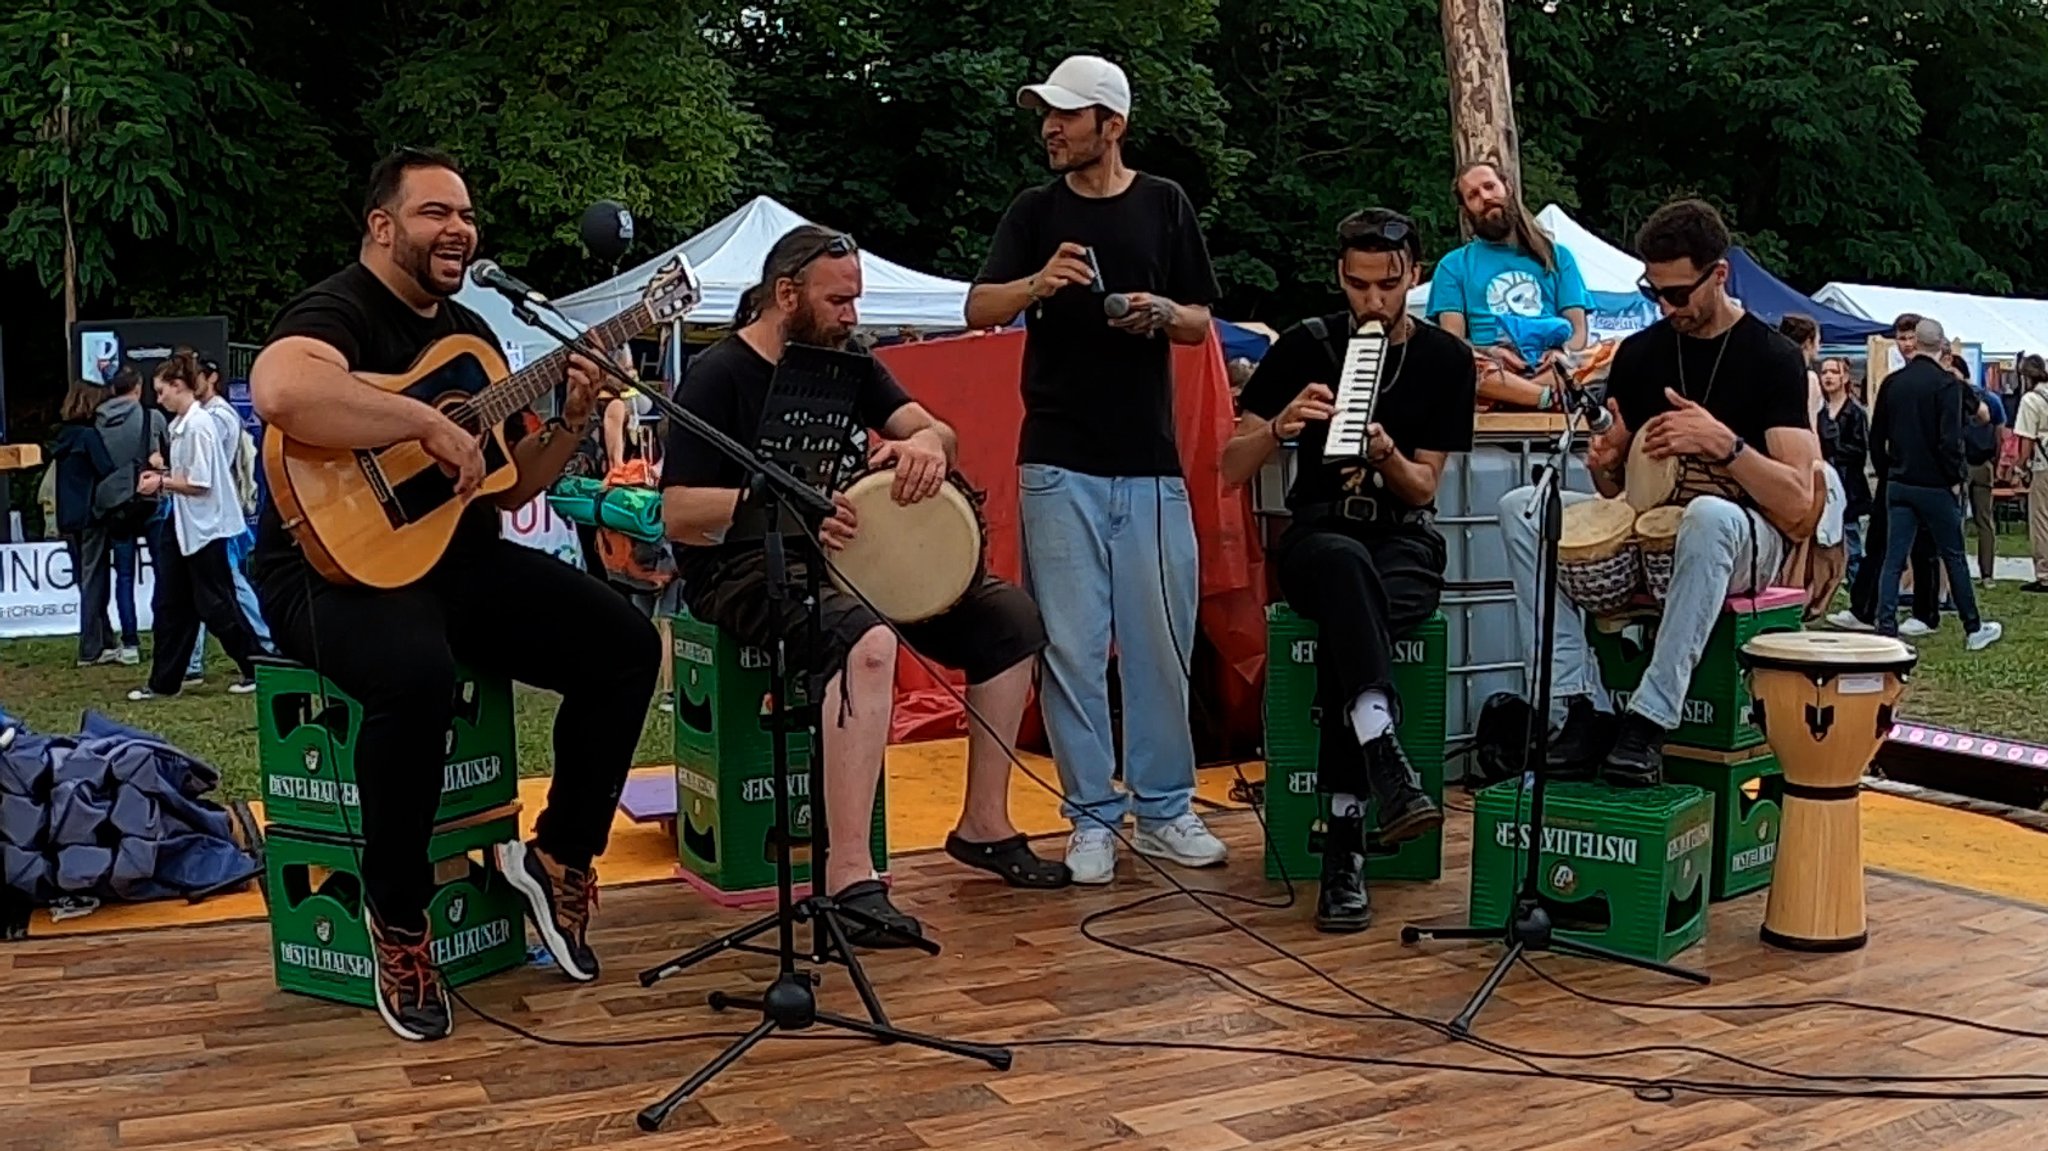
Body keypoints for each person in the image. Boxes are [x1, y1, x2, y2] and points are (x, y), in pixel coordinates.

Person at [248, 148, 659, 1042]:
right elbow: (282, 389)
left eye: (466, 214)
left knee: (627, 646)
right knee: (416, 676)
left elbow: (510, 485)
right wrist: (424, 419)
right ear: (382, 226)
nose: (460, 230)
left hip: (452, 559)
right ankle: (398, 918)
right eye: (436, 212)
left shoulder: (474, 337)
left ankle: (558, 857)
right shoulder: (336, 308)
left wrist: (575, 420)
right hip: (324, 567)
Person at [663, 225, 1069, 937]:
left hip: (845, 554)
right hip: (743, 564)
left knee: (1011, 622)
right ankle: (848, 874)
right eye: (840, 300)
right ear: (786, 295)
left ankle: (983, 821)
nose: (854, 316)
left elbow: (936, 430)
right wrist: (778, 507)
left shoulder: (846, 360)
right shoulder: (719, 374)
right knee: (867, 642)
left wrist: (921, 447)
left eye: (857, 300)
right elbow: (678, 511)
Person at [963, 54, 1227, 884]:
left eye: (1067, 115)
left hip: (1149, 461)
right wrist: (1039, 283)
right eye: (1046, 113)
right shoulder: (1035, 211)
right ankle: (1090, 819)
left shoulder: (1164, 203)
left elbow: (1199, 321)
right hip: (1057, 456)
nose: (1050, 126)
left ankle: (1165, 809)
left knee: (1160, 641)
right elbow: (979, 306)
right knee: (1073, 648)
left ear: (1111, 125)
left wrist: (1161, 312)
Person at [1502, 199, 1821, 785]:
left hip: (1745, 538)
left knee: (1706, 515)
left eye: (1678, 293)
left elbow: (1801, 505)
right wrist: (1604, 462)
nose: (1666, 307)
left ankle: (1650, 718)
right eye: (1655, 292)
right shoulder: (1642, 355)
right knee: (1523, 508)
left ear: (1719, 274)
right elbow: (1619, 490)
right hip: (1648, 533)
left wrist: (1725, 445)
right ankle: (1580, 705)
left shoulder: (1773, 359)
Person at [1221, 208, 1475, 931]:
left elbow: (1426, 488)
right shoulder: (1307, 344)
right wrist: (1278, 426)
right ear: (1341, 276)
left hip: (1401, 540)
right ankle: (1378, 766)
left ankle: (1346, 838)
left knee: (1350, 610)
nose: (1373, 301)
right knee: (1339, 568)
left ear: (1413, 278)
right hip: (1321, 534)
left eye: (1388, 286)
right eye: (1359, 285)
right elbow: (1227, 465)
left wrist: (1387, 452)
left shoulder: (1446, 361)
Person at [129, 354, 262, 700]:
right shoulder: (182, 425)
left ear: (178, 386)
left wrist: (160, 482)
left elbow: (200, 483)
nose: (158, 399)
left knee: (216, 603)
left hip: (206, 526)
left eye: (162, 392)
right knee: (172, 602)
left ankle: (256, 666)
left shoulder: (200, 425)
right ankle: (164, 681)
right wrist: (163, 475)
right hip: (187, 523)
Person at [1870, 320, 2003, 650]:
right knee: (1953, 554)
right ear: (1942, 345)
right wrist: (1955, 478)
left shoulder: (1892, 383)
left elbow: (1877, 437)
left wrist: (1889, 471)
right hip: (1934, 485)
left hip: (1899, 482)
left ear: (1915, 344)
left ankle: (1886, 627)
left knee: (1894, 557)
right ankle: (1973, 627)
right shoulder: (1947, 385)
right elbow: (1949, 440)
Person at [1426, 160, 1591, 411]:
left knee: (1613, 353)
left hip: (1553, 366)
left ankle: (1515, 396)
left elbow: (1579, 333)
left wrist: (1563, 353)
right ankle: (1542, 398)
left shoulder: (1558, 256)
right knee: (1455, 362)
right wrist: (1490, 352)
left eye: (1490, 186)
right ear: (1465, 209)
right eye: (1473, 195)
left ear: (1508, 187)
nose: (1486, 197)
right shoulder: (1453, 265)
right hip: (1494, 370)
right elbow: (1453, 343)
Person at [92, 366, 165, 665]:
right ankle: (165, 635)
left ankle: (130, 643)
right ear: (136, 388)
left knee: (124, 576)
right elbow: (162, 456)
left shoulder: (97, 423)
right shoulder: (152, 417)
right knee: (164, 572)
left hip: (115, 506)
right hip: (149, 502)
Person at [50, 380, 116, 666]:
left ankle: (105, 639)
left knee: (85, 580)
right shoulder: (89, 437)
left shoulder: (63, 437)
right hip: (91, 515)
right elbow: (107, 469)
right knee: (94, 580)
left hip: (68, 516)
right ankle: (90, 648)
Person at [1816, 355, 1871, 580]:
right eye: (1824, 372)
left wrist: (1833, 447)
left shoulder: (1855, 412)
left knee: (1851, 538)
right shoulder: (1818, 409)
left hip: (1848, 484)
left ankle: (1856, 583)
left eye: (1833, 372)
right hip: (1824, 482)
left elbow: (1859, 451)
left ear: (1845, 377)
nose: (1828, 377)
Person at [1953, 354, 2005, 588]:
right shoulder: (1991, 398)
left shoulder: (1953, 398)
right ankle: (1987, 574)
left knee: (1957, 519)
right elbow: (2000, 432)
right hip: (1984, 463)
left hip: (1960, 464)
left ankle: (1958, 572)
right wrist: (1995, 459)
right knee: (1985, 521)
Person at [2013, 355, 2048, 593]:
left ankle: (2045, 573)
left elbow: (2026, 438)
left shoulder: (2031, 399)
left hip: (2043, 464)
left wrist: (2019, 467)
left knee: (2042, 519)